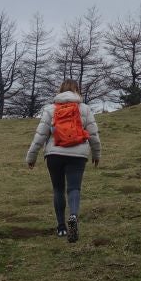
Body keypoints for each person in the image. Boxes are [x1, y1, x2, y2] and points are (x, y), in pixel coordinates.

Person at [26, 79, 101, 243]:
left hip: (54, 155)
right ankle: (73, 215)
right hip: (78, 155)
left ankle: (61, 227)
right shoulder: (85, 109)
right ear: (77, 91)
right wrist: (96, 154)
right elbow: (94, 135)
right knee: (74, 188)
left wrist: (31, 156)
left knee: (58, 189)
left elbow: (40, 136)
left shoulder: (50, 109)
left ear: (60, 91)